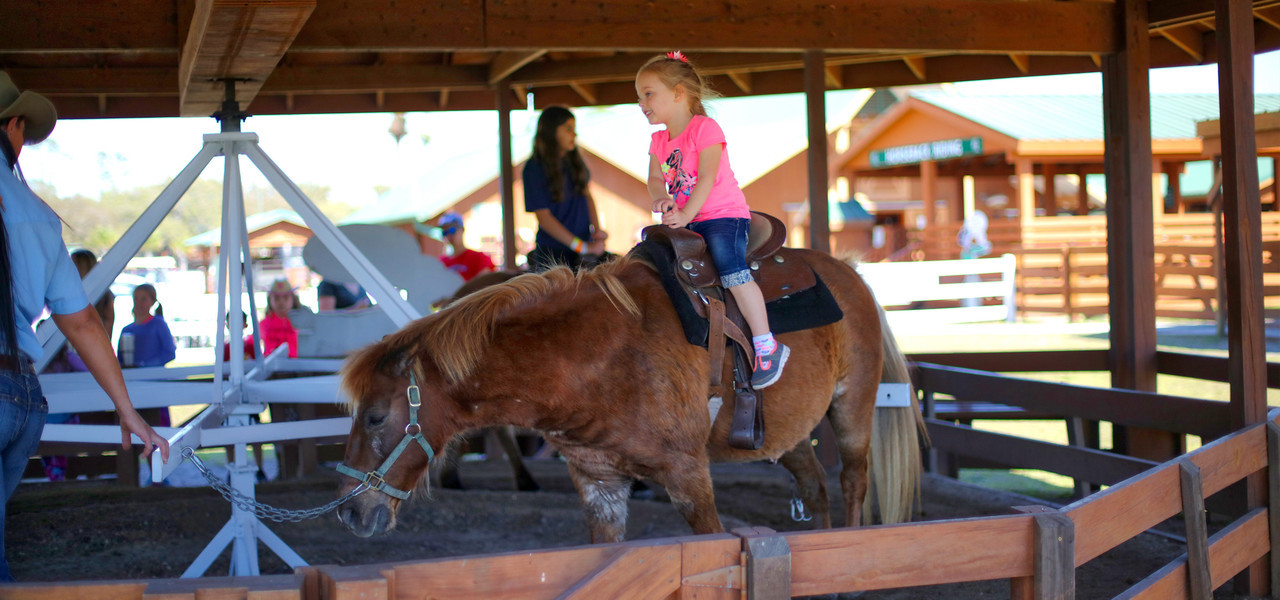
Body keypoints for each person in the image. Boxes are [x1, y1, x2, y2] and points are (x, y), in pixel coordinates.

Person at [0, 71, 168, 581]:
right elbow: (84, 324)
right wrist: (127, 410)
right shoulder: (36, 213)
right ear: (12, 125)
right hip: (19, 395)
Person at [636, 51, 789, 388]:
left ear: (678, 93)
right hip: (686, 219)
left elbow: (706, 177)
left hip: (721, 215)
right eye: (639, 96)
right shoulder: (658, 140)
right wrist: (660, 197)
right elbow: (655, 178)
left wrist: (687, 213)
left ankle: (766, 343)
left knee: (730, 268)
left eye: (648, 93)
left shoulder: (704, 128)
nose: (641, 102)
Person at [521, 105, 608, 272]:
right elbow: (544, 218)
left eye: (574, 129)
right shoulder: (534, 168)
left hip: (583, 249)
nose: (574, 134)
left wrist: (597, 231)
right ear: (551, 131)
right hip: (553, 253)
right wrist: (582, 247)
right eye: (568, 129)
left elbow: (587, 197)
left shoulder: (575, 164)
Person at [118, 283, 176, 369]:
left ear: (152, 302)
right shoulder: (126, 330)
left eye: (143, 299)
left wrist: (142, 366)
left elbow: (169, 354)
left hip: (154, 378)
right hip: (131, 379)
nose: (138, 303)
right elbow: (120, 359)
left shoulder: (159, 324)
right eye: (136, 298)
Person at [437, 212, 495, 282]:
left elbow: (485, 285)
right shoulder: (440, 263)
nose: (448, 236)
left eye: (452, 230)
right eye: (444, 232)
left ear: (462, 230)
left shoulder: (479, 258)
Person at [261, 279, 299, 358]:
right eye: (276, 298)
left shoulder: (302, 323)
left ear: (293, 299)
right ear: (269, 299)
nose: (281, 302)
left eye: (286, 297)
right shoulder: (262, 325)